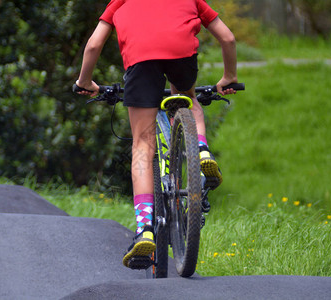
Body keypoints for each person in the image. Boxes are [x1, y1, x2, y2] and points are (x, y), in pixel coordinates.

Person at [75, 0, 238, 269]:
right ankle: (202, 149)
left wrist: (84, 82)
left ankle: (145, 229)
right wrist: (229, 76)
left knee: (142, 144)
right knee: (188, 98)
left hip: (141, 60)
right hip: (181, 55)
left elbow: (93, 45)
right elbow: (228, 38)